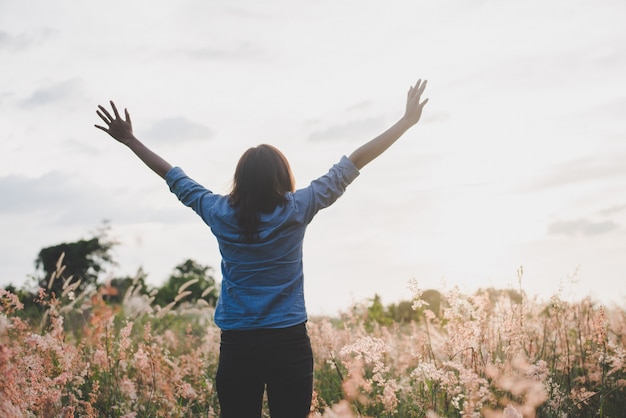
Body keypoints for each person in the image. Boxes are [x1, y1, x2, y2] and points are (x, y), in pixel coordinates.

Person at [94, 79, 428, 418]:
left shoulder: (218, 211)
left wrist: (131, 140)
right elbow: (354, 162)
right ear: (282, 176)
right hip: (288, 341)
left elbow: (172, 176)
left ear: (240, 179)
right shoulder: (298, 208)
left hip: (238, 343)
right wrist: (404, 122)